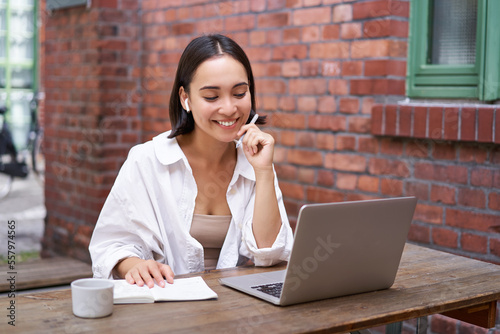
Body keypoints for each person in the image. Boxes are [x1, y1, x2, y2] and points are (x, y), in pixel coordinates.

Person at [89, 34, 293, 288]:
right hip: (166, 307)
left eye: (239, 93)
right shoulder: (147, 160)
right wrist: (135, 265)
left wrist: (263, 173)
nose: (229, 108)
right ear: (185, 98)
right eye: (211, 97)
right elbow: (110, 245)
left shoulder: (255, 161)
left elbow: (270, 254)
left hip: (238, 311)